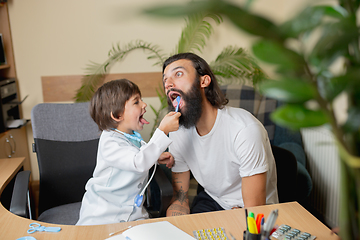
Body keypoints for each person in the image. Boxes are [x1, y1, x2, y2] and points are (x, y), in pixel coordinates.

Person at [162, 53, 278, 216]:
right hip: (213, 199)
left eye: (178, 74)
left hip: (252, 208)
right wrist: (176, 225)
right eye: (165, 80)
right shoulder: (178, 132)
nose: (168, 84)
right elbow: (180, 199)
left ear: (204, 81)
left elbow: (254, 211)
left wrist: (236, 217)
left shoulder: (244, 129)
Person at [76, 79, 181, 225]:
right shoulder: (109, 142)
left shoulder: (131, 137)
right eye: (136, 102)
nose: (144, 105)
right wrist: (162, 131)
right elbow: (138, 162)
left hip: (133, 215)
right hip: (102, 217)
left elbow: (135, 155)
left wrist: (156, 157)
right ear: (118, 115)